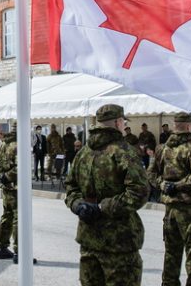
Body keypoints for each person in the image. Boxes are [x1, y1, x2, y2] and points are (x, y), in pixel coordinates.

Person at [66, 104, 148, 286]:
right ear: (119, 122)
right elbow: (139, 192)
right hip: (119, 242)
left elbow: (70, 187)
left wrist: (78, 205)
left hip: (89, 239)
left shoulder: (83, 153)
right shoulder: (124, 151)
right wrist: (103, 207)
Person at [147, 113, 191, 286]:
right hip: (189, 207)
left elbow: (150, 173)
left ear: (174, 126)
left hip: (170, 208)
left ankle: (168, 283)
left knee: (172, 251)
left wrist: (163, 184)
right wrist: (179, 185)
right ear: (188, 127)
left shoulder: (162, 149)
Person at [0, 126, 18, 261]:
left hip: (6, 187)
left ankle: (3, 247)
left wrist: (1, 177)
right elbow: (21, 165)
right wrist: (8, 176)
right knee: (18, 218)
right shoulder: (18, 144)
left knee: (7, 216)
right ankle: (19, 251)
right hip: (16, 187)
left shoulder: (4, 143)